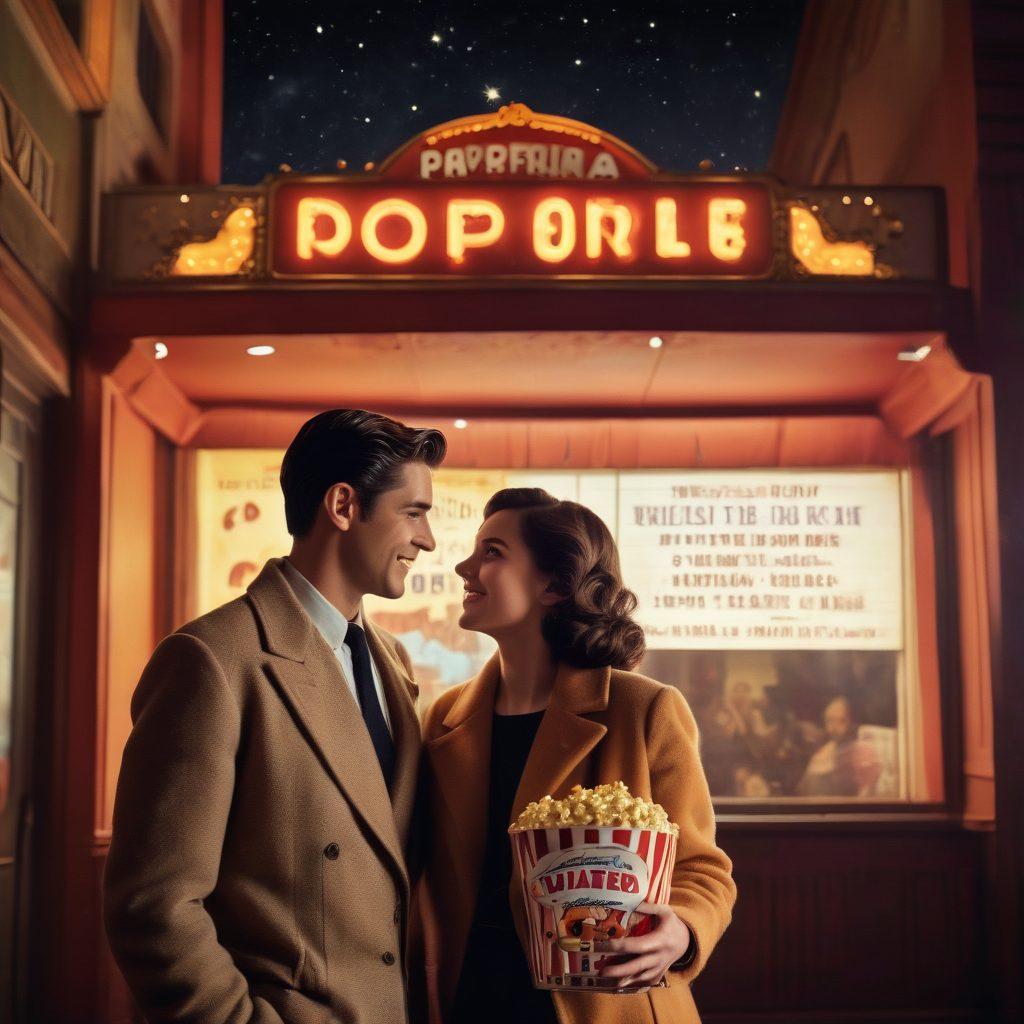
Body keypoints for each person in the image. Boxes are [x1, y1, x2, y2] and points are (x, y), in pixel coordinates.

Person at [104, 409, 445, 1024]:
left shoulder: (393, 663)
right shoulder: (211, 660)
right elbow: (154, 906)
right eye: (414, 513)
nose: (428, 540)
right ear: (343, 506)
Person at [413, 488, 736, 1024]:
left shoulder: (645, 709)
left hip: (612, 1003)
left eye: (491, 552)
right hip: (472, 999)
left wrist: (680, 931)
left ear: (557, 585)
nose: (464, 567)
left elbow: (703, 868)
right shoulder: (445, 717)